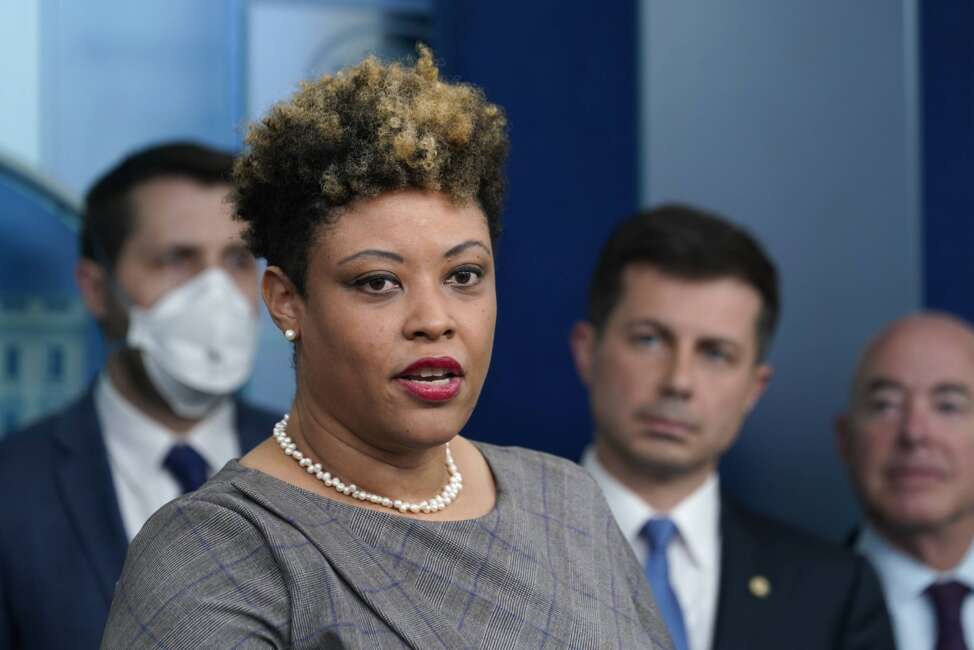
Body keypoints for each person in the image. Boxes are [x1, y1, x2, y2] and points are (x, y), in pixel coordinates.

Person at [99, 47, 672, 649]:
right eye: (378, 282)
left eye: (464, 276)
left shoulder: (566, 502)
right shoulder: (215, 553)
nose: (434, 320)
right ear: (287, 300)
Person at [570, 205, 895, 650]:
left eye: (715, 353)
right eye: (649, 339)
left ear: (754, 388)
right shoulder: (493, 553)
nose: (678, 382)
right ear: (588, 352)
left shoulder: (836, 592)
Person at [0, 142, 278, 650]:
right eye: (178, 259)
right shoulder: (12, 491)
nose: (215, 294)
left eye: (237, 260)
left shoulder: (325, 468)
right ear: (96, 288)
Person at [837, 312, 974, 649]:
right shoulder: (792, 613)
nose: (914, 433)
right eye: (885, 406)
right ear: (845, 440)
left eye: (948, 406)